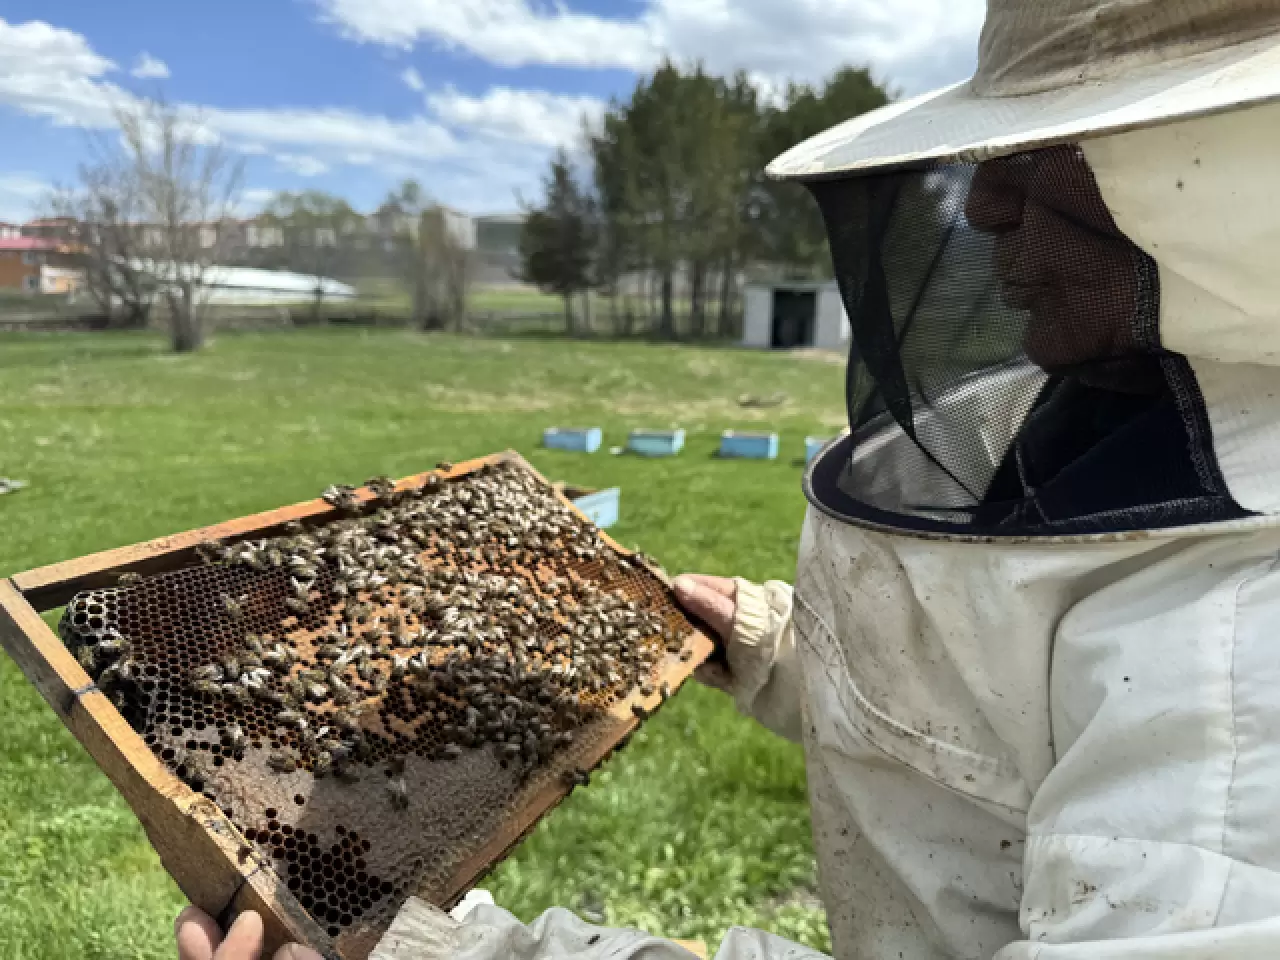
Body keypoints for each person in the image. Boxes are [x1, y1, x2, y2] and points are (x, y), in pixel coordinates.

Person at [179, 0, 1280, 956]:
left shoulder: (1246, 653)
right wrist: (780, 649)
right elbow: (1019, 714)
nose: (981, 209)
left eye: (1045, 158)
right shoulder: (1129, 407)